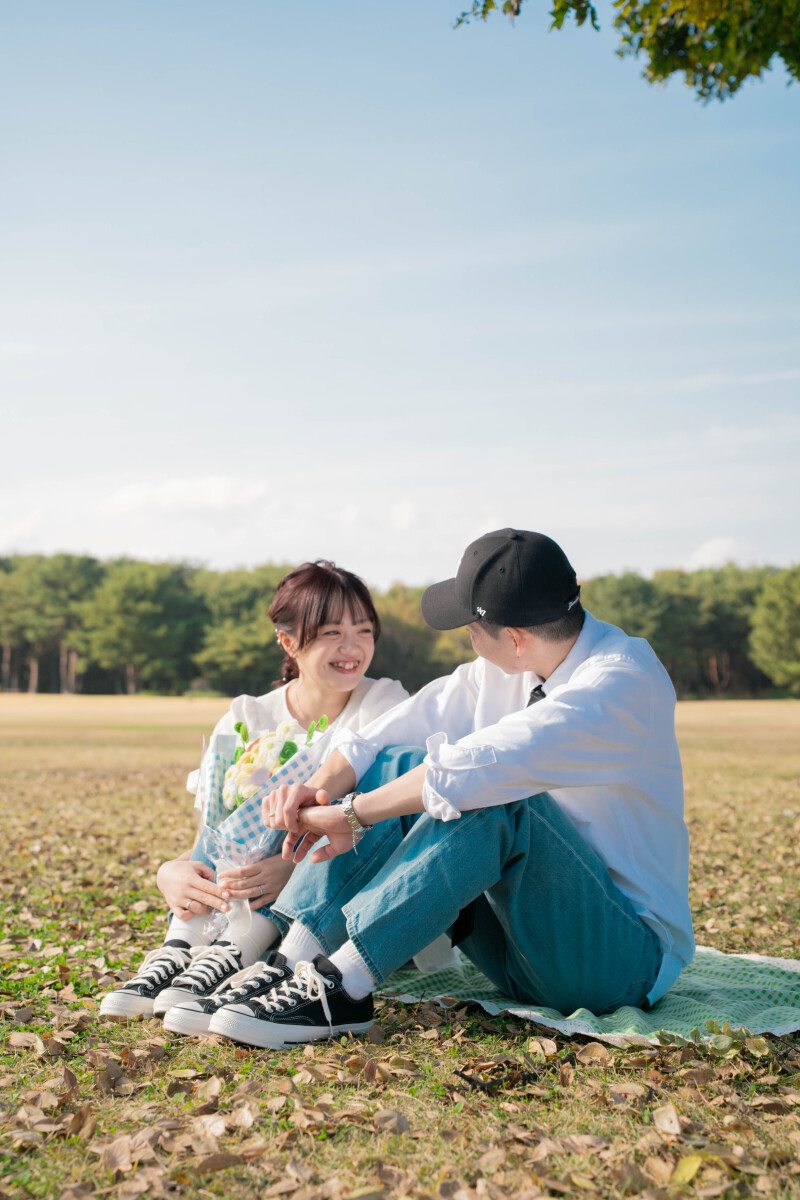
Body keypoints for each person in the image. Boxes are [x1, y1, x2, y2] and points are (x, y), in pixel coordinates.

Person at [203, 528, 694, 1050]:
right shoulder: (508, 668)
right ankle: (293, 957)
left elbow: (484, 768)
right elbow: (385, 736)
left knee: (498, 800)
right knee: (400, 762)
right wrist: (317, 791)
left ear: (515, 637)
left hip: (616, 963)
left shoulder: (622, 684)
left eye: (469, 625)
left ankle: (342, 987)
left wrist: (354, 815)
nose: (465, 636)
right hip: (515, 944)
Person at [99, 560, 408, 1022]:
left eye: (363, 631)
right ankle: (180, 949)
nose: (352, 648)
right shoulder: (248, 716)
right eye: (331, 633)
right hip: (243, 897)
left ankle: (238, 954)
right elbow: (212, 839)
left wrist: (292, 866)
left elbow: (390, 830)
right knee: (227, 832)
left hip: (331, 902)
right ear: (288, 641)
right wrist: (171, 872)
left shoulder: (382, 701)